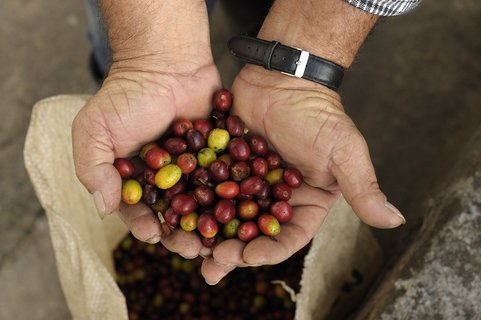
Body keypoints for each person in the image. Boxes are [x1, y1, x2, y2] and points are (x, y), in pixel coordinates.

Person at [73, 0, 420, 285]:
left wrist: (303, 47)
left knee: (258, 10)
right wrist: (147, 55)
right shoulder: (213, 172)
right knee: (121, 34)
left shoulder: (216, 174)